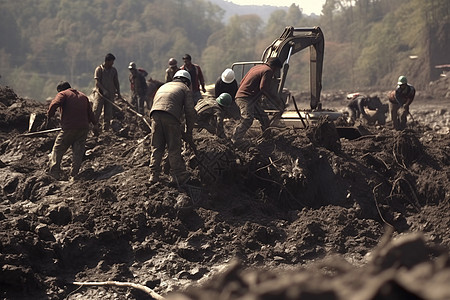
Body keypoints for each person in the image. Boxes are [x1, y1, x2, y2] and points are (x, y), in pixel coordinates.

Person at [149, 70, 197, 185]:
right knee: (174, 147)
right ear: (187, 81)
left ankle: (153, 175)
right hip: (170, 116)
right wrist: (189, 131)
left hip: (155, 115)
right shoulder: (184, 89)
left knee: (157, 146)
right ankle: (179, 175)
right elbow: (190, 112)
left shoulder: (164, 86)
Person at [47, 81, 96, 180]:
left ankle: (54, 173)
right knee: (78, 153)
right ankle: (74, 175)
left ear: (60, 90)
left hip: (69, 128)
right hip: (83, 128)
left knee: (58, 149)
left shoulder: (63, 94)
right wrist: (95, 125)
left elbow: (54, 104)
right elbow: (90, 114)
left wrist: (49, 115)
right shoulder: (83, 96)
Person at [231, 57, 283, 144]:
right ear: (275, 67)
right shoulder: (268, 70)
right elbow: (263, 88)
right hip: (245, 98)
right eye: (276, 70)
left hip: (248, 97)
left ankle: (267, 138)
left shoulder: (256, 67)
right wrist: (274, 99)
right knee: (247, 118)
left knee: (264, 118)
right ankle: (235, 139)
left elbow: (242, 81)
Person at [92, 53, 121, 133]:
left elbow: (116, 82)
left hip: (110, 95)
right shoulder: (99, 69)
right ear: (107, 61)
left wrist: (118, 93)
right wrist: (103, 90)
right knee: (96, 112)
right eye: (112, 61)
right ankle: (94, 129)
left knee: (108, 113)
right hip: (100, 95)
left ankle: (106, 131)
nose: (112, 63)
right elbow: (97, 82)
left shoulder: (113, 70)